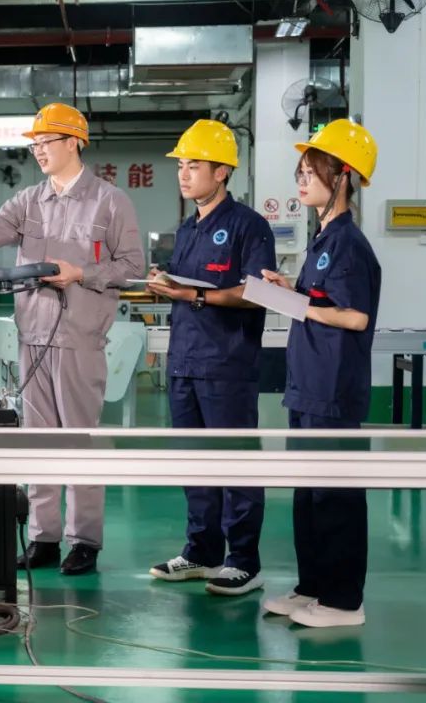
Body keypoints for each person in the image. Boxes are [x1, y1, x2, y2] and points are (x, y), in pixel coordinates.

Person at [0, 102, 144, 575]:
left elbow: (133, 266)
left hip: (80, 339)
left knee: (78, 442)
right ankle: (43, 537)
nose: (38, 151)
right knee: (37, 441)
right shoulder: (30, 200)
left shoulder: (110, 201)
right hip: (32, 336)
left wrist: (82, 273)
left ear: (74, 142)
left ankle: (85, 540)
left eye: (46, 142)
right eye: (34, 144)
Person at [259, 118, 381, 628]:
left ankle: (344, 601)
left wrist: (299, 304)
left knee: (336, 495)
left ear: (343, 176)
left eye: (312, 172)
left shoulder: (349, 243)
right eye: (301, 172)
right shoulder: (323, 240)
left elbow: (355, 317)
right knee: (308, 494)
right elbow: (323, 300)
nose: (302, 181)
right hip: (308, 386)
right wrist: (290, 289)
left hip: (333, 388)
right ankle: (313, 587)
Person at [146, 119, 275, 596]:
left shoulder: (248, 226)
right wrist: (166, 285)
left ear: (222, 171)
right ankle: (202, 552)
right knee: (194, 461)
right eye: (180, 165)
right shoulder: (188, 228)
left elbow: (257, 292)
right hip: (185, 361)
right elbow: (186, 289)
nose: (183, 173)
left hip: (227, 364)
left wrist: (195, 296)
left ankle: (244, 561)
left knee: (236, 463)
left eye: (193, 165)